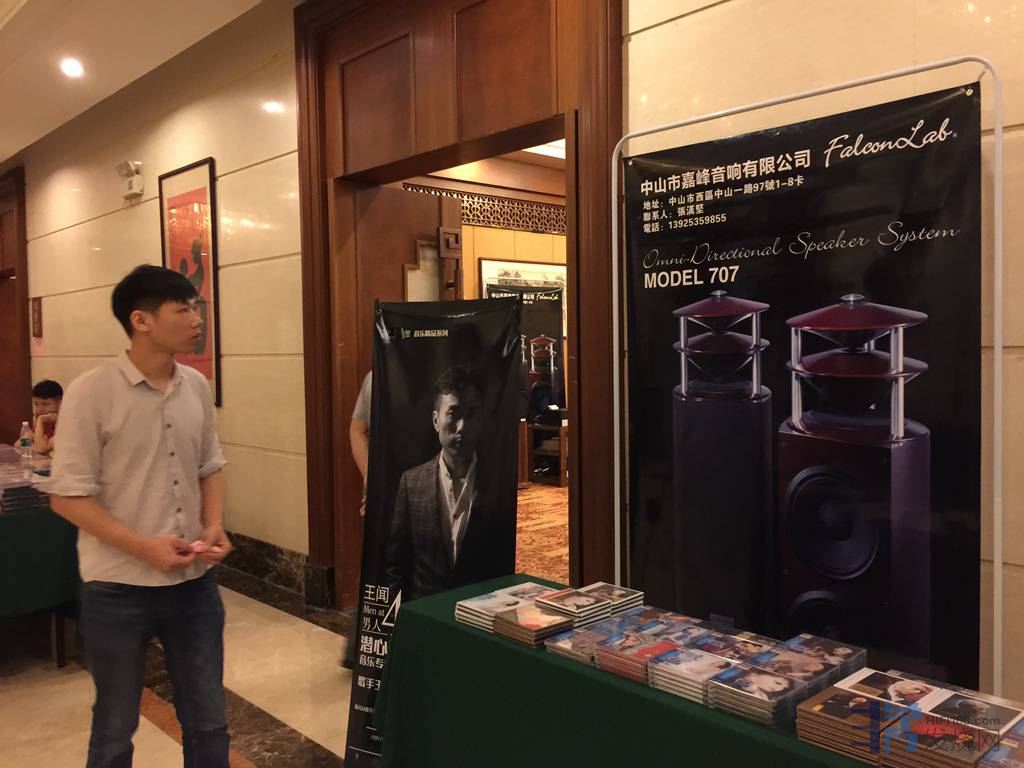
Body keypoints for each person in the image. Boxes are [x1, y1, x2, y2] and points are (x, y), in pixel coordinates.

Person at [43, 264, 232, 768]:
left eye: (196, 308)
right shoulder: (91, 392)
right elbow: (67, 497)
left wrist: (213, 523)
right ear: (141, 320)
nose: (197, 319)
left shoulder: (196, 386)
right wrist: (143, 547)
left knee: (209, 719)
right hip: (117, 589)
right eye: (183, 309)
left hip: (193, 585)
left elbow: (210, 466)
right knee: (115, 726)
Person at [384, 364, 510, 602]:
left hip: (478, 613)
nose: (462, 426)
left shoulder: (497, 484)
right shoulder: (412, 483)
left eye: (471, 413)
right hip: (425, 611)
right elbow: (396, 565)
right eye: (453, 413)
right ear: (436, 420)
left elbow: (502, 562)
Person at [341, 370, 372, 670]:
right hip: (384, 490)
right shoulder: (379, 378)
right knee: (378, 567)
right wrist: (370, 477)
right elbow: (357, 429)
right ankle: (360, 648)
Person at [30, 379, 63, 456]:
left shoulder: (66, 420)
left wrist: (40, 420)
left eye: (45, 404)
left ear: (60, 403)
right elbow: (18, 444)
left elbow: (40, 449)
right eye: (36, 404)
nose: (39, 409)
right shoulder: (46, 418)